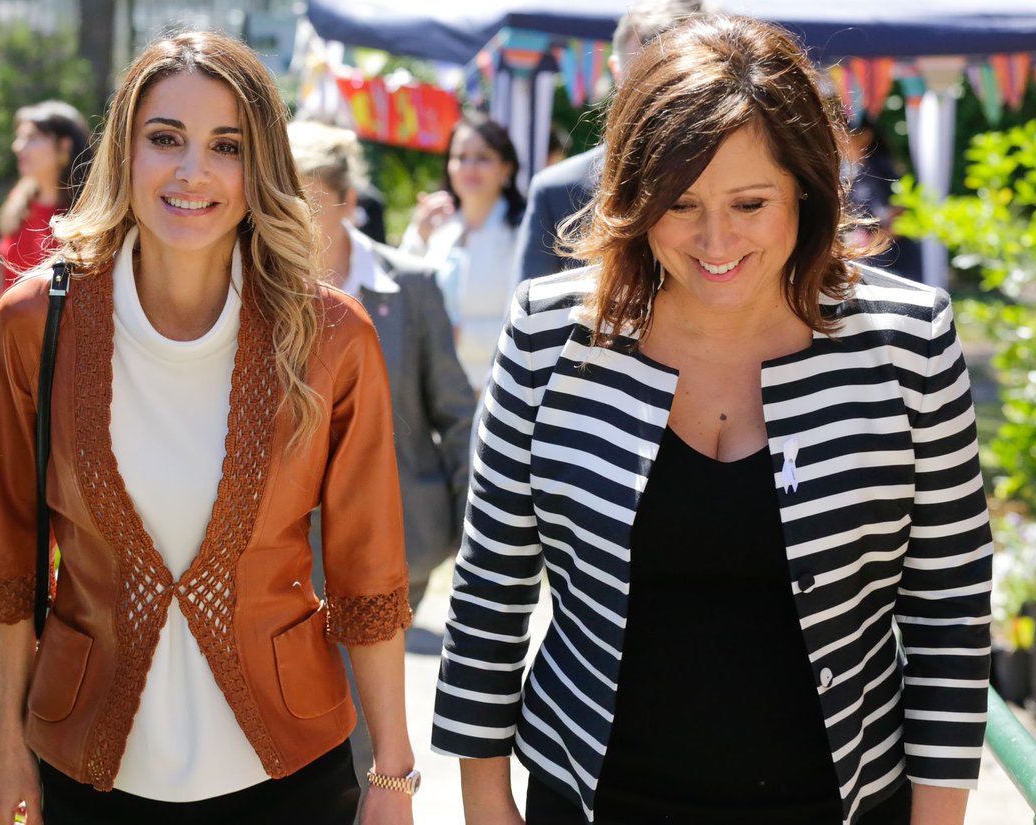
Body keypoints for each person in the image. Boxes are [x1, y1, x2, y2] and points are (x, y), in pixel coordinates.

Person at [432, 15, 991, 825]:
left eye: (750, 202)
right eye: (680, 202)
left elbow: (949, 606)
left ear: (806, 186)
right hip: (587, 797)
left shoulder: (911, 341)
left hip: (843, 802)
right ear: (633, 197)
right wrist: (485, 800)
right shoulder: (549, 332)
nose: (715, 238)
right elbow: (491, 580)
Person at [0, 32, 417, 825]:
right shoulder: (33, 325)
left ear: (262, 166)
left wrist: (392, 774)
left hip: (292, 779)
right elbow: (12, 557)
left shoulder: (331, 337)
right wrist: (5, 737)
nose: (192, 171)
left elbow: (369, 573)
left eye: (227, 145)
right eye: (165, 138)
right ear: (124, 150)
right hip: (85, 772)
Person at [288, 118, 474, 803]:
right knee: (311, 701)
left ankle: (370, 800)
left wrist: (465, 532)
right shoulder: (263, 285)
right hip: (290, 545)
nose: (293, 215)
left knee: (362, 705)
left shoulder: (409, 285)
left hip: (398, 538)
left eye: (306, 198)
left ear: (344, 199)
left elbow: (456, 412)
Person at [513, 0, 701, 282]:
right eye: (644, 77)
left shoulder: (746, 179)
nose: (662, 96)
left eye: (678, 78)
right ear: (617, 73)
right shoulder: (558, 192)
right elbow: (528, 305)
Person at [399, 112, 525, 391]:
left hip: (501, 386)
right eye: (460, 157)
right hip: (437, 387)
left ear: (506, 168)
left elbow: (530, 319)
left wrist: (463, 335)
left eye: (482, 157)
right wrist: (418, 236)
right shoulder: (437, 227)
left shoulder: (523, 232)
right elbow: (402, 292)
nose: (469, 167)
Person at [0, 100, 91, 297]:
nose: (17, 146)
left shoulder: (90, 216)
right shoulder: (19, 200)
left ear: (64, 146)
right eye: (19, 137)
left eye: (32, 137)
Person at [843, 116, 923, 282]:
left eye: (844, 137)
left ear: (865, 137)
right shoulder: (859, 173)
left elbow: (900, 215)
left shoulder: (881, 169)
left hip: (897, 263)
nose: (839, 144)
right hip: (875, 262)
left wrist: (870, 245)